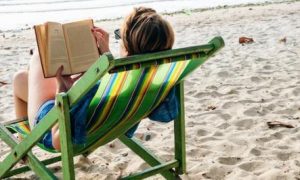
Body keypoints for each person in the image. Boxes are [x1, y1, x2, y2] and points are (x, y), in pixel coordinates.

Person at [13, 7, 178, 151]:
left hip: (50, 127)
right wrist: (107, 62)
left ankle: (23, 145)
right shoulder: (160, 81)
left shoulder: (101, 87)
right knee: (23, 78)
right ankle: (22, 142)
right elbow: (165, 115)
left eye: (118, 36)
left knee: (31, 63)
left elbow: (59, 141)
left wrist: (62, 90)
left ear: (126, 49)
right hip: (101, 128)